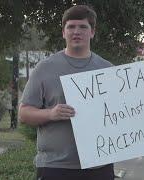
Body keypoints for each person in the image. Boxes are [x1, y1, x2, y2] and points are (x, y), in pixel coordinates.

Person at [19, 5, 115, 180]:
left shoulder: (107, 69)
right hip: (55, 166)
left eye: (83, 27)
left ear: (92, 32)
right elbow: (24, 114)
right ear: (63, 32)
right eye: (71, 27)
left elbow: (129, 111)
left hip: (100, 165)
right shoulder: (45, 68)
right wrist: (51, 113)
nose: (76, 31)